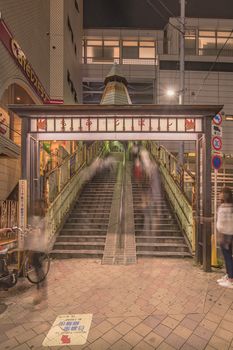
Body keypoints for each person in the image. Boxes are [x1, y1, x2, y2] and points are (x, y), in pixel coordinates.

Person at [28, 199, 48, 304]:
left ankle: (41, 292)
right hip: (39, 248)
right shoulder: (39, 218)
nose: (35, 207)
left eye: (37, 205)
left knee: (39, 270)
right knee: (39, 270)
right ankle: (42, 291)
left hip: (38, 248)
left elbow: (38, 234)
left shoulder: (42, 220)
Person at [216, 187, 233, 289]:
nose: (219, 194)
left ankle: (231, 279)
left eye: (221, 193)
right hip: (230, 235)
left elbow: (221, 224)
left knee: (227, 257)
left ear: (224, 195)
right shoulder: (230, 206)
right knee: (228, 256)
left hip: (225, 235)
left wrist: (219, 234)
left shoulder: (224, 207)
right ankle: (229, 276)